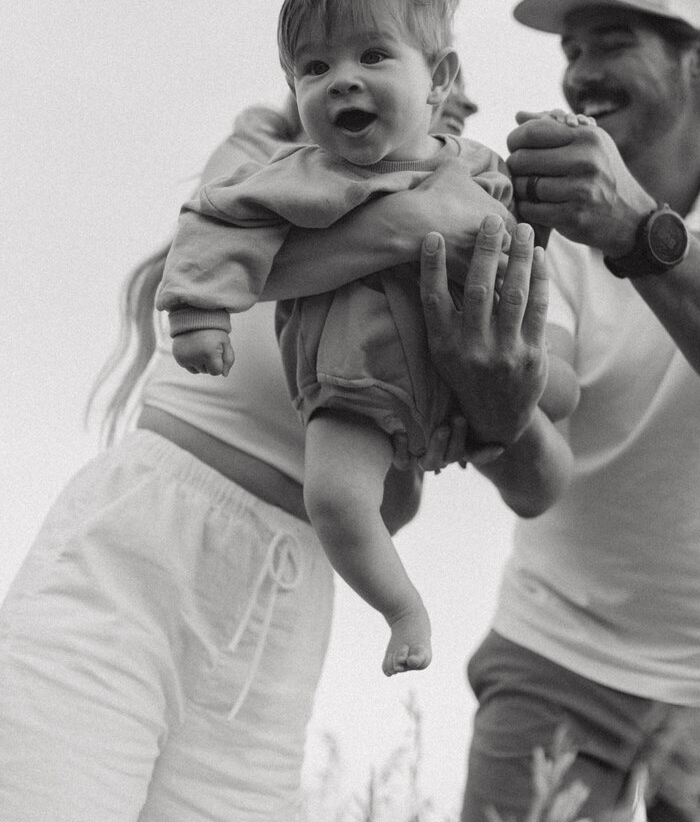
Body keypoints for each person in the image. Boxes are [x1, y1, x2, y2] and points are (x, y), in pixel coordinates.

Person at [0, 45, 572, 822]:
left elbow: (547, 442)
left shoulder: (488, 216)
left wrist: (497, 390)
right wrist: (412, 222)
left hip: (285, 601)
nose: (451, 117)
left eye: (459, 105)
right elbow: (213, 269)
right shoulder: (272, 161)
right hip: (142, 546)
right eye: (335, 64)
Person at [156, 0, 579, 678]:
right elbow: (220, 220)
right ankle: (403, 607)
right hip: (356, 393)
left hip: (452, 385)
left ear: (439, 80)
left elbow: (525, 207)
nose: (341, 81)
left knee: (563, 389)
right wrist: (198, 312)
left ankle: (413, 494)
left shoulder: (474, 166)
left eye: (371, 56)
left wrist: (560, 141)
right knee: (341, 501)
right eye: (314, 68)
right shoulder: (305, 175)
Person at [454, 0, 700, 822]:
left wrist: (636, 230)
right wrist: (499, 405)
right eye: (571, 51)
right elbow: (541, 441)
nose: (581, 73)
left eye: (611, 42)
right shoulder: (549, 216)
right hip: (558, 651)